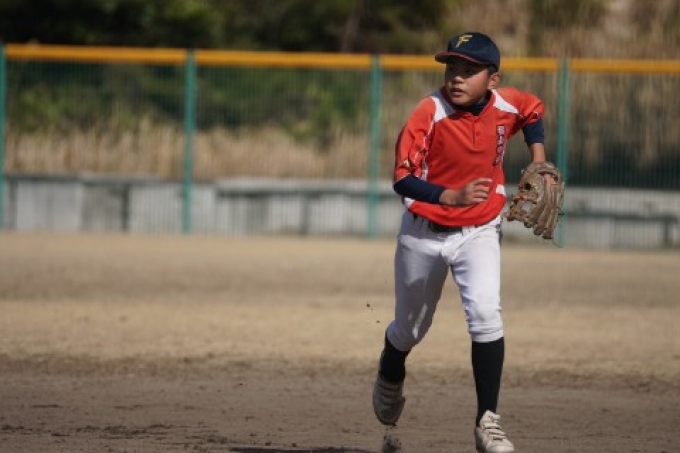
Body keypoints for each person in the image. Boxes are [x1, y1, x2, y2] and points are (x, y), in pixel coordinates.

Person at [372, 31, 549, 453]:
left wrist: (538, 160)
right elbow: (402, 177)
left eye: (469, 70)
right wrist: (448, 196)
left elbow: (532, 110)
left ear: (492, 79)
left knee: (486, 314)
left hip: (480, 230)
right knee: (410, 329)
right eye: (452, 68)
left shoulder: (506, 103)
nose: (456, 77)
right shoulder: (429, 112)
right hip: (424, 232)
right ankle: (390, 372)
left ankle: (488, 422)